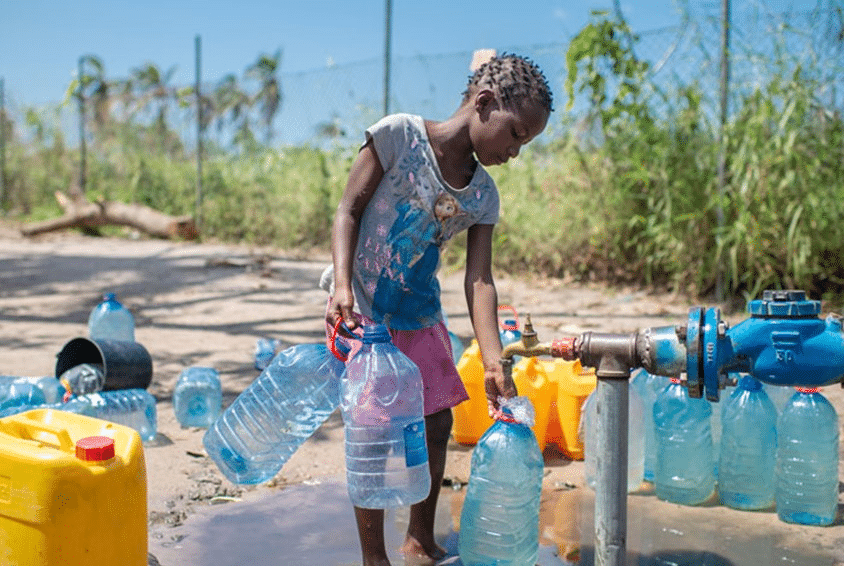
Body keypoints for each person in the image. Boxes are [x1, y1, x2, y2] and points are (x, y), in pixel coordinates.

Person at [324, 53, 553, 566]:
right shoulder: (398, 136)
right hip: (362, 311)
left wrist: (494, 358)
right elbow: (349, 210)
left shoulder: (481, 197)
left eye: (525, 143)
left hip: (420, 316)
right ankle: (372, 556)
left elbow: (479, 281)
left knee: (436, 423)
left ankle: (419, 538)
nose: (515, 152)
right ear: (485, 104)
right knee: (375, 430)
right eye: (514, 134)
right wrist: (341, 285)